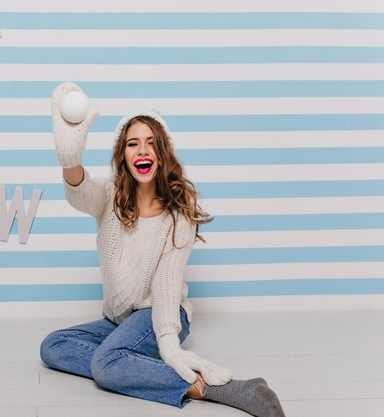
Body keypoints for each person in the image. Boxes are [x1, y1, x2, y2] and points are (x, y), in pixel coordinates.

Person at [39, 82, 286, 417]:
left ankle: (216, 388)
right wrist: (70, 158)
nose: (142, 151)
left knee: (106, 364)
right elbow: (78, 191)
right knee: (53, 346)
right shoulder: (109, 196)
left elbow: (166, 285)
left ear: (163, 153)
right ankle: (125, 362)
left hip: (165, 314)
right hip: (117, 319)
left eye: (151, 144)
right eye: (133, 143)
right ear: (122, 154)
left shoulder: (178, 214)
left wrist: (168, 340)